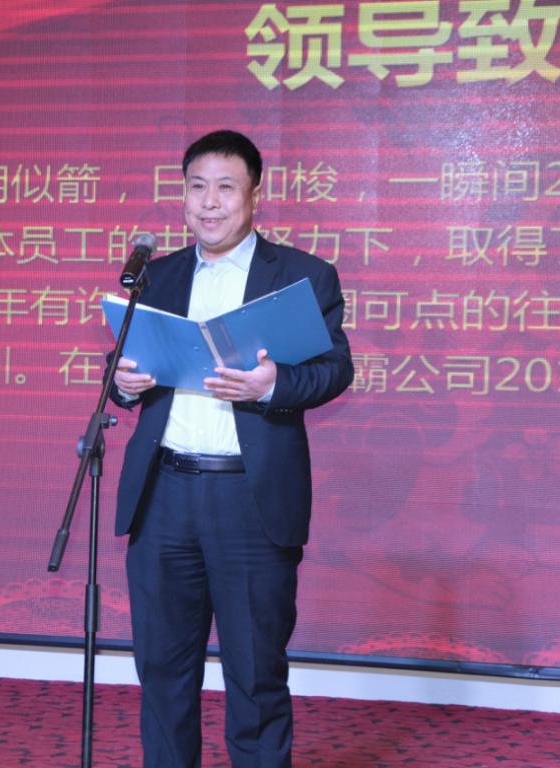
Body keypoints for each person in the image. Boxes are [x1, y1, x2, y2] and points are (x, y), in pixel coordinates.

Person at [110, 129, 353, 767]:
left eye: (225, 187)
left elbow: (334, 370)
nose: (209, 202)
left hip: (250, 498)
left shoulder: (300, 276)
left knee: (254, 673)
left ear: (254, 196)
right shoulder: (157, 276)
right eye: (197, 187)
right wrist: (125, 383)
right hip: (163, 496)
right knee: (162, 671)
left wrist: (273, 385)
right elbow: (123, 368)